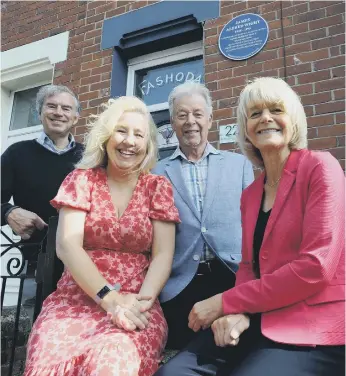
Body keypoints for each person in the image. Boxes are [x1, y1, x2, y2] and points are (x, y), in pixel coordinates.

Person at [156, 77, 345, 376]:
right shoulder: (252, 193)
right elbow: (248, 265)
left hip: (314, 326)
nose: (266, 118)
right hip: (258, 315)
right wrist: (239, 312)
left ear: (293, 118)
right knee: (173, 371)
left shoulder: (321, 168)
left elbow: (315, 267)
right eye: (255, 114)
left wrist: (227, 302)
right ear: (246, 127)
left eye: (276, 109)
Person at [24, 96, 180, 376]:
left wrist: (139, 305)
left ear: (148, 144)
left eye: (139, 134)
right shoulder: (81, 180)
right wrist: (109, 299)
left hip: (137, 302)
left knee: (113, 360)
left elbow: (163, 254)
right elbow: (67, 245)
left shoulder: (157, 187)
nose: (129, 141)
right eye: (121, 131)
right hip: (75, 300)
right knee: (47, 357)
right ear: (106, 136)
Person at [152, 82, 254, 350]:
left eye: (198, 114)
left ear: (210, 118)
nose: (190, 122)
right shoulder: (155, 172)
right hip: (181, 282)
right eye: (182, 115)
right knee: (188, 353)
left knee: (242, 349)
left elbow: (252, 225)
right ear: (173, 122)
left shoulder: (239, 165)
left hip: (232, 277)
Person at [1, 85, 83, 303]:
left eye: (66, 108)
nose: (58, 112)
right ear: (39, 114)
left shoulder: (91, 158)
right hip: (34, 266)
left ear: (75, 118)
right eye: (51, 106)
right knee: (33, 329)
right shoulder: (17, 154)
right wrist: (8, 212)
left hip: (86, 265)